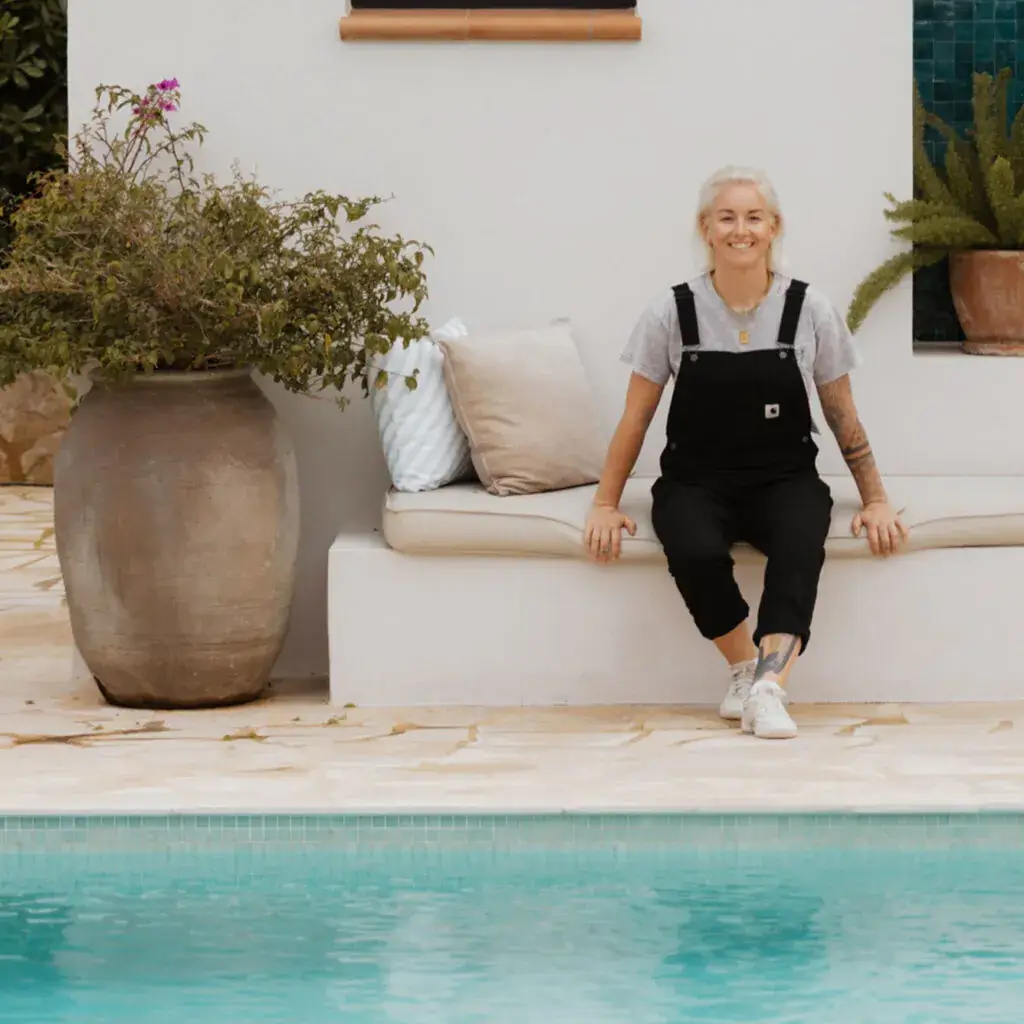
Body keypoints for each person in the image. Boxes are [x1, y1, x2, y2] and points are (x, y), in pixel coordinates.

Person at [583, 166, 907, 740]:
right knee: (694, 550)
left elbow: (841, 413)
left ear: (774, 227)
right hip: (694, 481)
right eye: (727, 218)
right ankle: (744, 669)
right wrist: (605, 505)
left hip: (785, 479)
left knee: (800, 546)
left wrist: (876, 500)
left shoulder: (809, 308)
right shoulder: (671, 311)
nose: (741, 230)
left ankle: (769, 690)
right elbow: (636, 417)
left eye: (754, 217)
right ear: (706, 228)